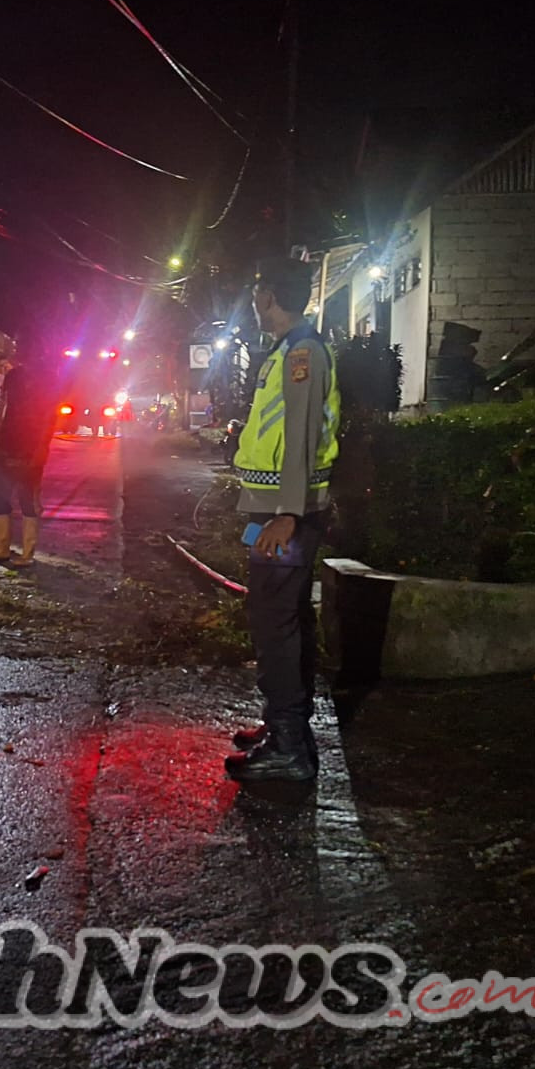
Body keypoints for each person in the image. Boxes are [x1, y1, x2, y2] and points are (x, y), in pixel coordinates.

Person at [224, 257, 341, 784]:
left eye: (257, 294)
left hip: (284, 512)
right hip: (275, 507)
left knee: (275, 622)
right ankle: (284, 728)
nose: (254, 303)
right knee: (283, 616)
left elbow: (300, 437)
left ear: (268, 296)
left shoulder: (301, 353)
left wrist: (288, 513)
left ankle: (289, 746)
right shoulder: (287, 350)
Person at [0, 358, 53, 567]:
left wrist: (40, 449)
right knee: (0, 498)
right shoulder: (19, 381)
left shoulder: (40, 386)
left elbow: (47, 420)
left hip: (26, 450)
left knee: (26, 500)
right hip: (9, 448)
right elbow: (2, 411)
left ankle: (25, 552)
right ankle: (2, 549)